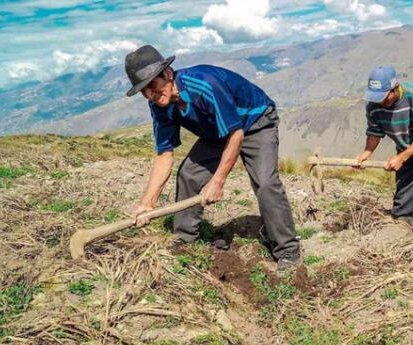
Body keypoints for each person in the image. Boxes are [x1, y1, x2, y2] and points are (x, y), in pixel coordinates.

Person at [124, 45, 300, 273]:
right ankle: (184, 239)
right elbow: (164, 154)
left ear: (167, 74)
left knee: (266, 184)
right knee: (188, 174)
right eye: (144, 91)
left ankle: (287, 250)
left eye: (152, 86)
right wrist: (148, 203)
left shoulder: (204, 84)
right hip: (218, 132)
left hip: (256, 122)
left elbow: (236, 135)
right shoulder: (160, 106)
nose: (151, 95)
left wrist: (217, 181)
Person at [356, 66, 413, 243]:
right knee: (405, 189)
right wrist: (367, 152)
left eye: (384, 96)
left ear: (394, 88)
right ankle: (406, 235)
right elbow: (374, 131)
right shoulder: (374, 106)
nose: (380, 102)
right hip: (406, 144)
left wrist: (402, 157)